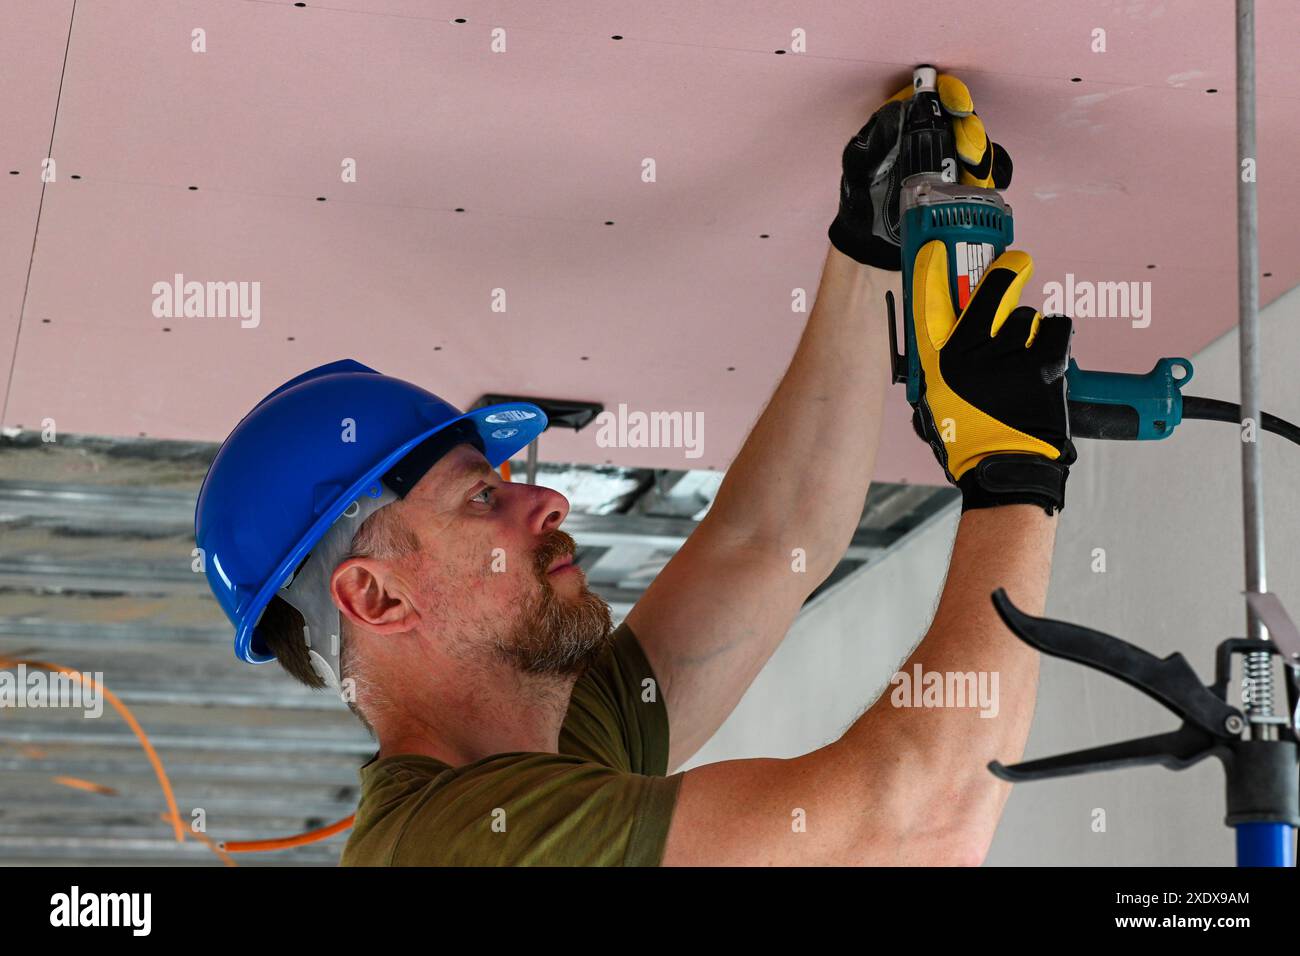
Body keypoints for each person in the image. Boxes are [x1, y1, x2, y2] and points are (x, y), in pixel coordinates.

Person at [194, 72, 1075, 865]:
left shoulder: (550, 746)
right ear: (377, 598)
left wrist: (867, 247)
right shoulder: (462, 849)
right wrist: (1011, 476)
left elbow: (770, 545)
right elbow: (914, 826)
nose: (545, 499)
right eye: (482, 497)